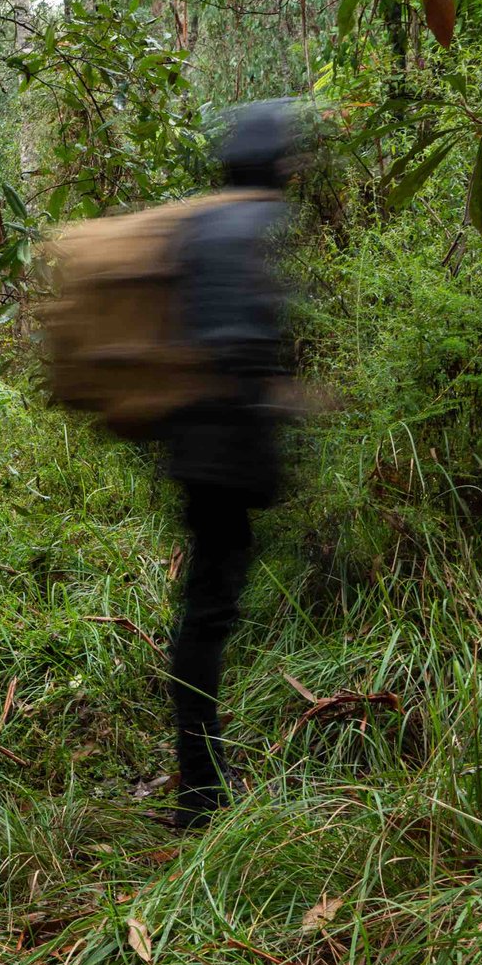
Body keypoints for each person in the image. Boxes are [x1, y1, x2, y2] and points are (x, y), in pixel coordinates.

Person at [155, 99, 310, 828]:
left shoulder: (198, 223)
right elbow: (242, 343)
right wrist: (289, 401)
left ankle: (201, 782)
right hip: (225, 450)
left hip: (190, 445)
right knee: (208, 618)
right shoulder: (254, 226)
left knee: (206, 615)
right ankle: (201, 794)